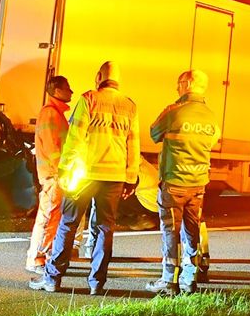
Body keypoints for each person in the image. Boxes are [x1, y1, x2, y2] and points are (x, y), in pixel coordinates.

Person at [29, 61, 139, 296]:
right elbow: (133, 145)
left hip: (85, 176)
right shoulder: (130, 106)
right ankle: (97, 283)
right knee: (104, 228)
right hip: (114, 178)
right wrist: (131, 178)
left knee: (67, 224)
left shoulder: (88, 99)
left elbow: (75, 138)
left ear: (99, 76)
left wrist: (66, 169)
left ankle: (52, 279)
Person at [144, 69, 221, 297]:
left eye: (179, 83)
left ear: (187, 83)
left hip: (174, 182)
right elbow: (214, 140)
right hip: (198, 184)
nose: (176, 88)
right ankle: (189, 277)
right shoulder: (211, 116)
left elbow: (154, 133)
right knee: (191, 230)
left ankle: (169, 280)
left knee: (170, 231)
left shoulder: (174, 111)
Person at [24, 75, 73, 274]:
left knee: (53, 217)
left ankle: (44, 256)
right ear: (57, 91)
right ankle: (37, 259)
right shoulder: (51, 114)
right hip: (54, 176)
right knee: (48, 217)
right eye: (68, 88)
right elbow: (54, 148)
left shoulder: (55, 113)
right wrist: (63, 170)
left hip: (56, 175)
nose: (71, 91)